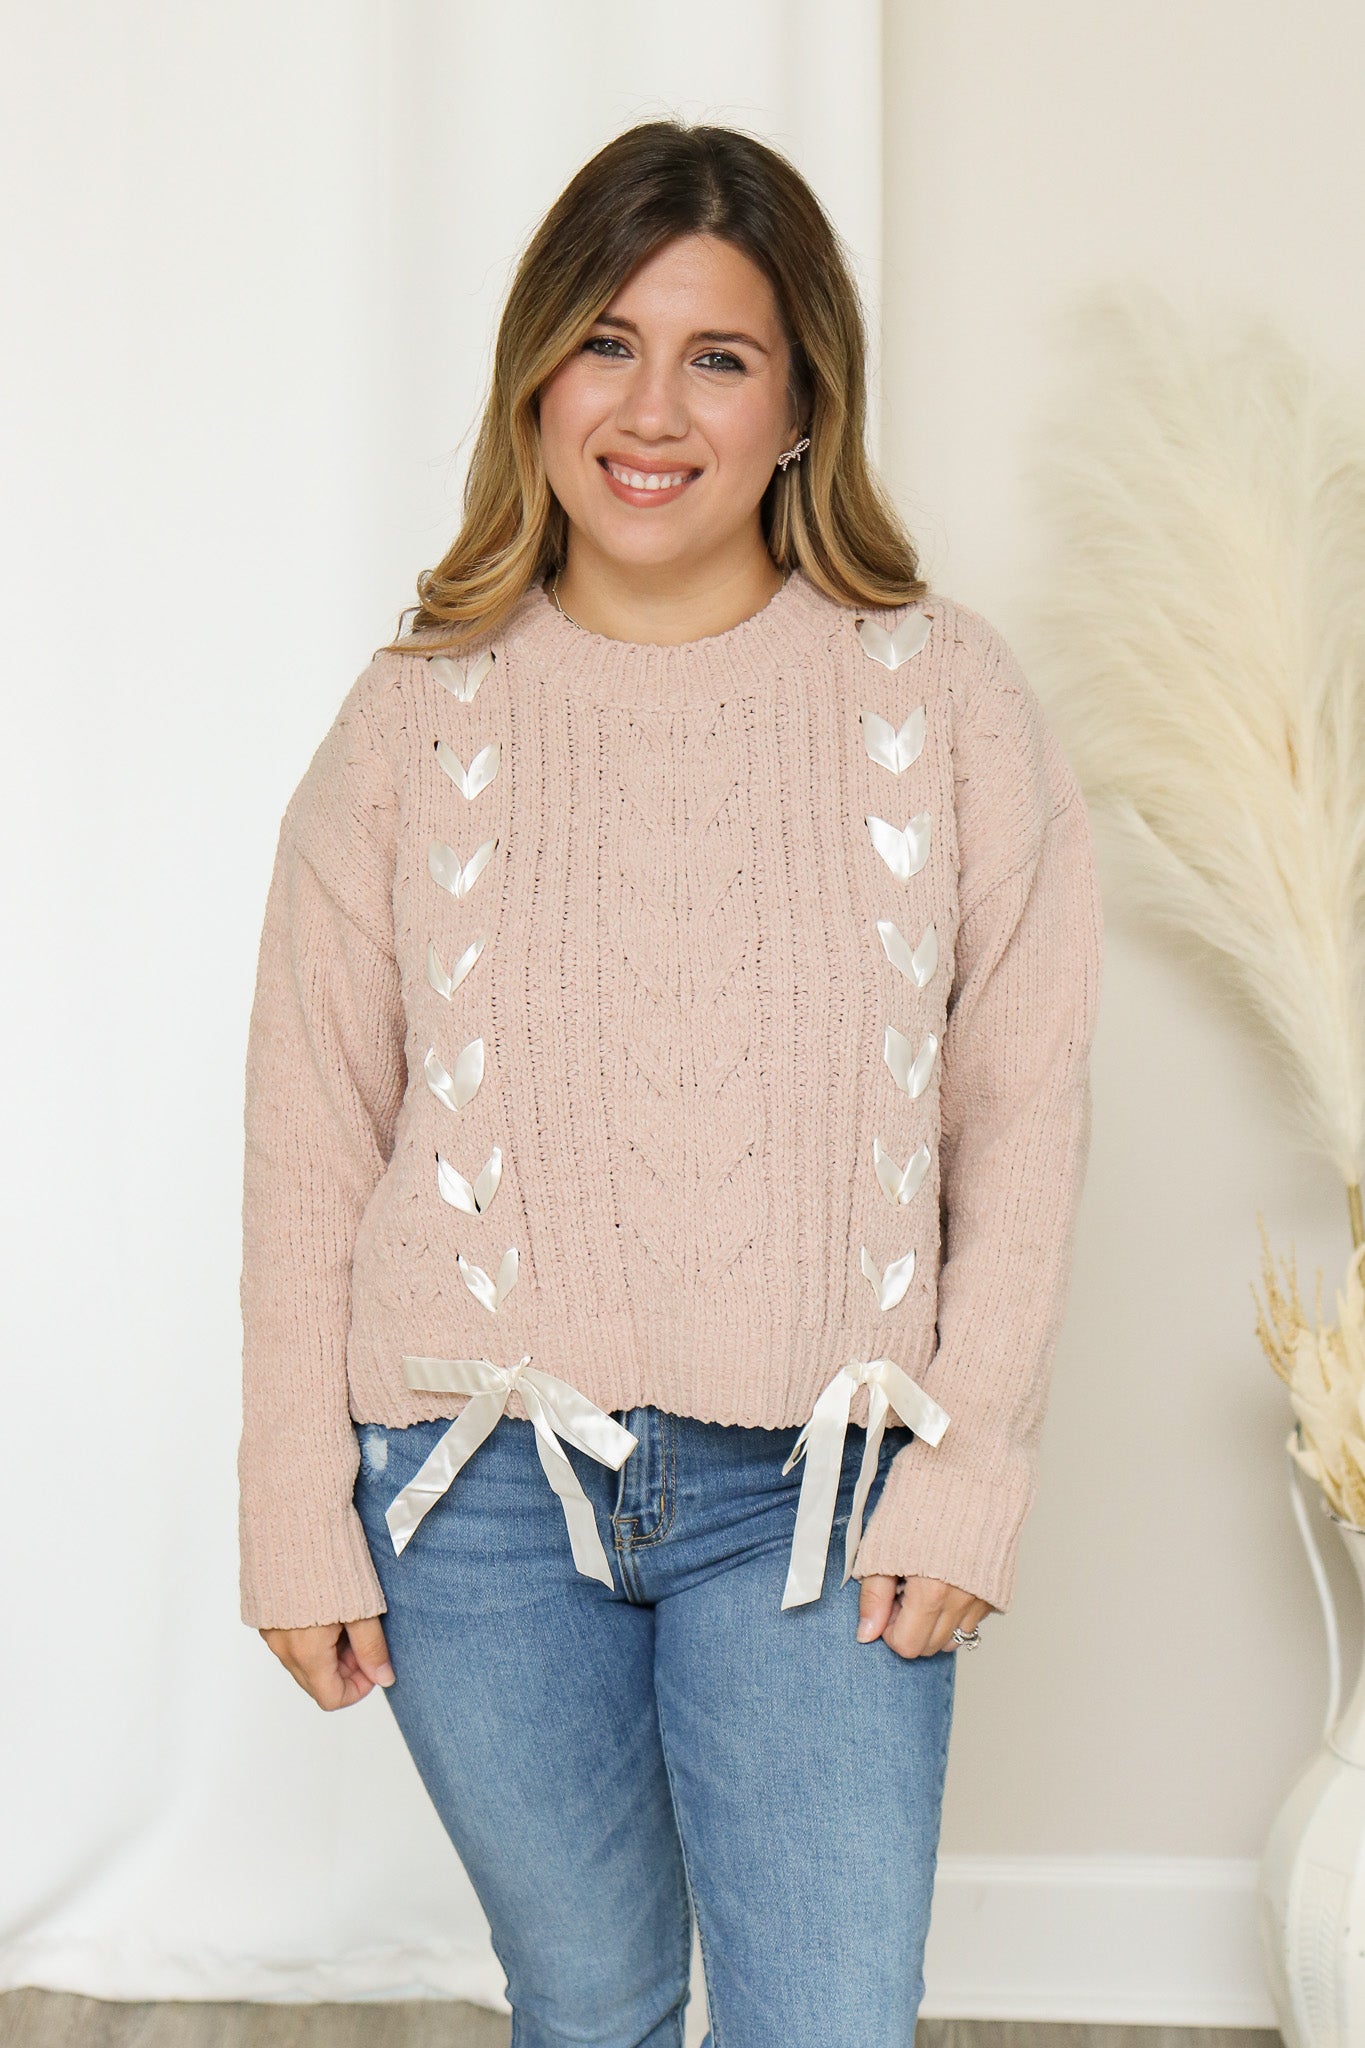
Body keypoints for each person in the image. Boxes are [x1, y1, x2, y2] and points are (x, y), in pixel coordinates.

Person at [237, 118, 1104, 2048]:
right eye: (604, 343)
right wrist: (290, 1499)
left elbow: (1022, 1111)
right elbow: (309, 1137)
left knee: (824, 2020)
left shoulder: (943, 700)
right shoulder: (410, 722)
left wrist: (970, 1467)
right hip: (468, 1494)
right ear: (534, 379)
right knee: (592, 2004)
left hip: (818, 1492)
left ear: (801, 407)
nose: (650, 410)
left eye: (719, 357)